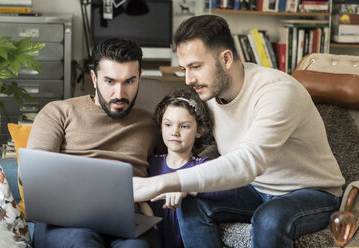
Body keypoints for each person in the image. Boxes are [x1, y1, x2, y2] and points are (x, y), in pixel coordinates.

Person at [133, 15, 345, 248]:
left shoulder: (276, 91)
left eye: (196, 67)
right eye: (184, 68)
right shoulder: (210, 97)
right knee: (191, 204)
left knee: (268, 218)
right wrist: (188, 185)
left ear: (226, 58)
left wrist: (166, 182)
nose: (188, 79)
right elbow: (217, 155)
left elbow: (248, 162)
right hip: (255, 188)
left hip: (312, 193)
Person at [26, 38, 158, 248]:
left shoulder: (153, 122)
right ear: (94, 78)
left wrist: (148, 199)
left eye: (129, 81)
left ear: (140, 78)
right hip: (66, 218)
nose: (119, 94)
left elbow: (189, 161)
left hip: (128, 217)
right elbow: (33, 175)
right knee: (82, 243)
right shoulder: (59, 112)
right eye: (110, 81)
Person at [148, 89, 237, 248]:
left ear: (199, 130)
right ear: (161, 126)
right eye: (168, 124)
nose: (174, 132)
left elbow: (229, 189)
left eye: (184, 126)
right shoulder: (151, 164)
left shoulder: (203, 166)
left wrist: (186, 186)